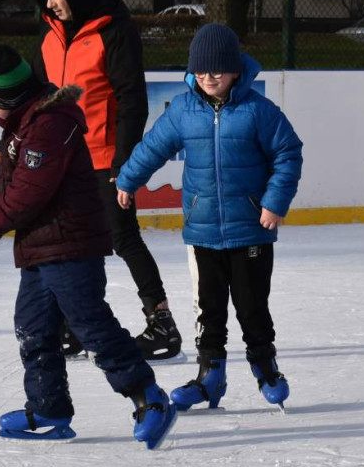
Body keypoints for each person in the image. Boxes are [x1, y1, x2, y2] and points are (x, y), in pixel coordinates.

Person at [0, 45, 177, 449]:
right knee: (33, 327)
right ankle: (49, 407)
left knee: (91, 326)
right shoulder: (22, 126)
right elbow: (6, 185)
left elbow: (30, 190)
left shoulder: (48, 125)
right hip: (41, 247)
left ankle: (149, 398)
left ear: (8, 100)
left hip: (70, 245)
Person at [115, 24, 304, 412]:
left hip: (250, 229)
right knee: (209, 308)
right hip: (202, 231)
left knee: (252, 308)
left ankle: (266, 370)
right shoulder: (184, 109)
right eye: (201, 70)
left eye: (217, 69)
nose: (208, 77)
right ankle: (209, 378)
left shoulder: (257, 110)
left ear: (235, 69)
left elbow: (288, 153)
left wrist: (274, 202)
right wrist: (130, 179)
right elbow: (153, 146)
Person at [30, 0, 183, 362]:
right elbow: (37, 101)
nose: (49, 4)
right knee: (71, 243)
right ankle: (79, 323)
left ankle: (161, 322)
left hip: (103, 157)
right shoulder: (48, 36)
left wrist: (124, 162)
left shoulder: (113, 31)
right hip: (64, 160)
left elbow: (133, 101)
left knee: (121, 236)